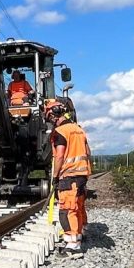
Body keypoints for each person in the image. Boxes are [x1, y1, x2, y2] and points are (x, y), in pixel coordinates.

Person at [46, 101, 92, 258]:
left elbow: (59, 155)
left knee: (67, 210)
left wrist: (55, 176)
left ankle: (72, 247)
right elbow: (88, 152)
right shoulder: (78, 130)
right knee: (78, 206)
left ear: (53, 115)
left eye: (49, 116)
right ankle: (78, 236)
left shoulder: (60, 132)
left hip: (69, 175)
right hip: (82, 174)